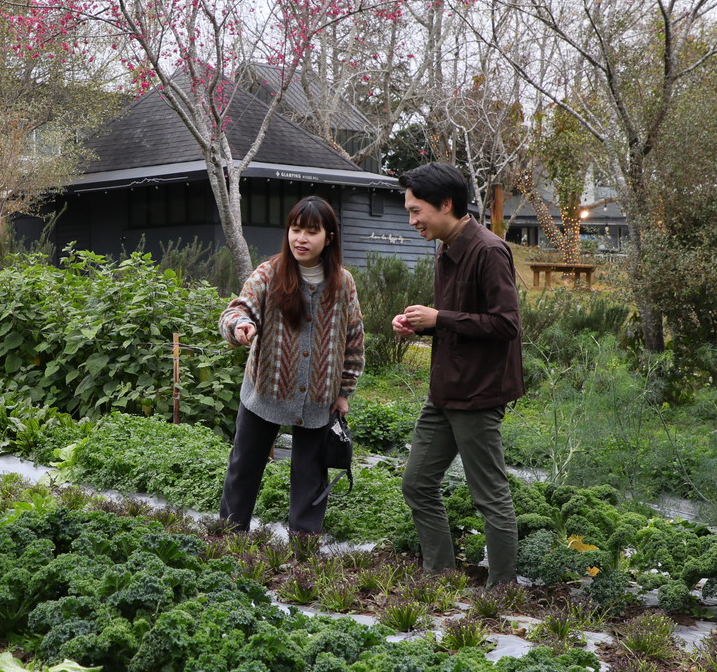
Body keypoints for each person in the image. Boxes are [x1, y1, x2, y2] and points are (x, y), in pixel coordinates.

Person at [392, 163, 523, 587]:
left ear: (446, 204)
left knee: (489, 497)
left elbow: (506, 325)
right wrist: (424, 322)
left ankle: (502, 592)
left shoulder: (487, 250)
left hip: (479, 393)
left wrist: (441, 317)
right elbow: (458, 320)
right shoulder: (446, 248)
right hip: (445, 389)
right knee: (416, 484)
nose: (412, 220)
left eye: (417, 211)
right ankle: (440, 576)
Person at [219, 196, 365, 537]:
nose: (301, 238)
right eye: (295, 229)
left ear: (329, 237)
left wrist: (344, 390)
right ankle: (229, 535)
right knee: (245, 466)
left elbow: (354, 339)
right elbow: (237, 308)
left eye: (311, 232)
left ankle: (304, 542)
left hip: (318, 397)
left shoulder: (343, 283)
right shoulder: (269, 273)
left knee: (311, 473)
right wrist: (240, 325)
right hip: (265, 390)